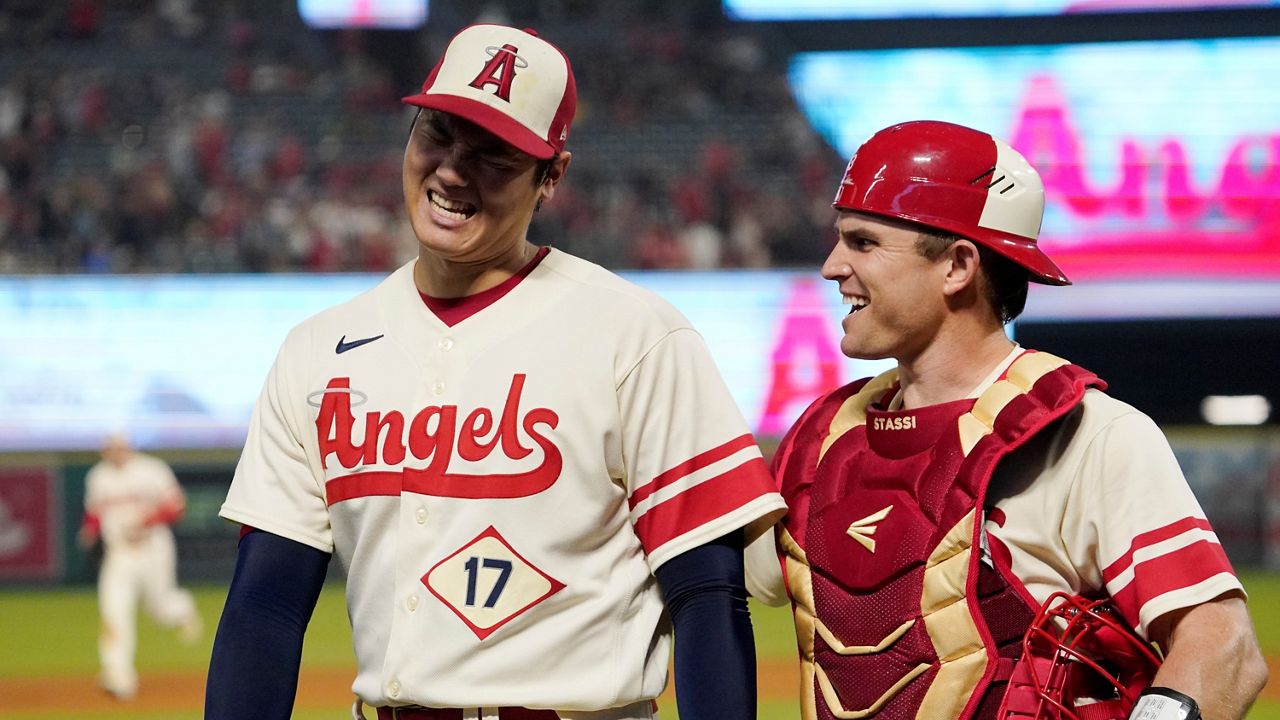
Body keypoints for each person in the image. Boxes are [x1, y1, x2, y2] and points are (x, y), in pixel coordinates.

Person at [205, 24, 785, 720]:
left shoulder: (636, 337)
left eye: (493, 155)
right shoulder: (318, 350)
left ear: (553, 177)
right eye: (438, 135)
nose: (452, 170)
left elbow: (707, 593)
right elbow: (264, 608)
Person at [744, 120, 1268, 720]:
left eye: (863, 243)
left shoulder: (1088, 433)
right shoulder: (821, 442)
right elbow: (726, 585)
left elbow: (1225, 647)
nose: (832, 267)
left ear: (957, 266)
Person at [79, 432, 203, 700]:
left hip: (153, 548)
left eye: (119, 447)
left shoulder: (151, 469)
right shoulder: (97, 476)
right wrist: (89, 530)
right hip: (119, 554)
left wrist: (146, 521)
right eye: (109, 448)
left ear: (129, 447)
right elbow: (94, 512)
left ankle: (181, 609)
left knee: (159, 608)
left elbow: (177, 506)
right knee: (114, 612)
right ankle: (118, 677)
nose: (114, 452)